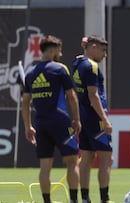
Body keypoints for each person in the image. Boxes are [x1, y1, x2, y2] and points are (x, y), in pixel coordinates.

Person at [22, 35, 81, 203]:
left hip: (40, 123)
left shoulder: (31, 73)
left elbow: (25, 102)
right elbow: (72, 96)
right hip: (60, 121)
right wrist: (76, 119)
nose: (61, 54)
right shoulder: (60, 69)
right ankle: (74, 201)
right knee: (72, 162)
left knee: (45, 167)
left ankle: (46, 201)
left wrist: (28, 126)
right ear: (53, 50)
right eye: (59, 51)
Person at [71, 35, 113, 203]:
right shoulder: (92, 67)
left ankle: (85, 198)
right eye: (103, 50)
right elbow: (93, 95)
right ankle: (105, 198)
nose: (105, 55)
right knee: (107, 158)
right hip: (96, 118)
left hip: (83, 115)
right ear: (93, 47)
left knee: (87, 158)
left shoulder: (77, 63)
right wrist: (105, 119)